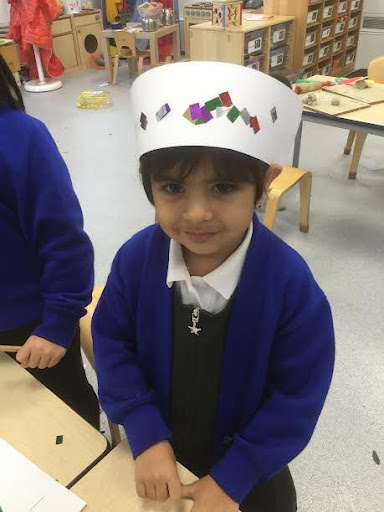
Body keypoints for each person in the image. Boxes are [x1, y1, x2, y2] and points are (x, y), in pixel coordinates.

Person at [92, 61, 335, 511]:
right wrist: (145, 435)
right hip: (161, 464)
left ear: (264, 183)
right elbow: (112, 342)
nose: (197, 213)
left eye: (222, 187)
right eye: (173, 188)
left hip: (250, 482)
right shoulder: (134, 261)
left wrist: (233, 477)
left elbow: (296, 399)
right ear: (149, 186)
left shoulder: (292, 289)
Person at [0, 55, 99, 430]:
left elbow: (63, 239)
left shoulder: (20, 137)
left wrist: (57, 324)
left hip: (32, 329)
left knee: (68, 427)